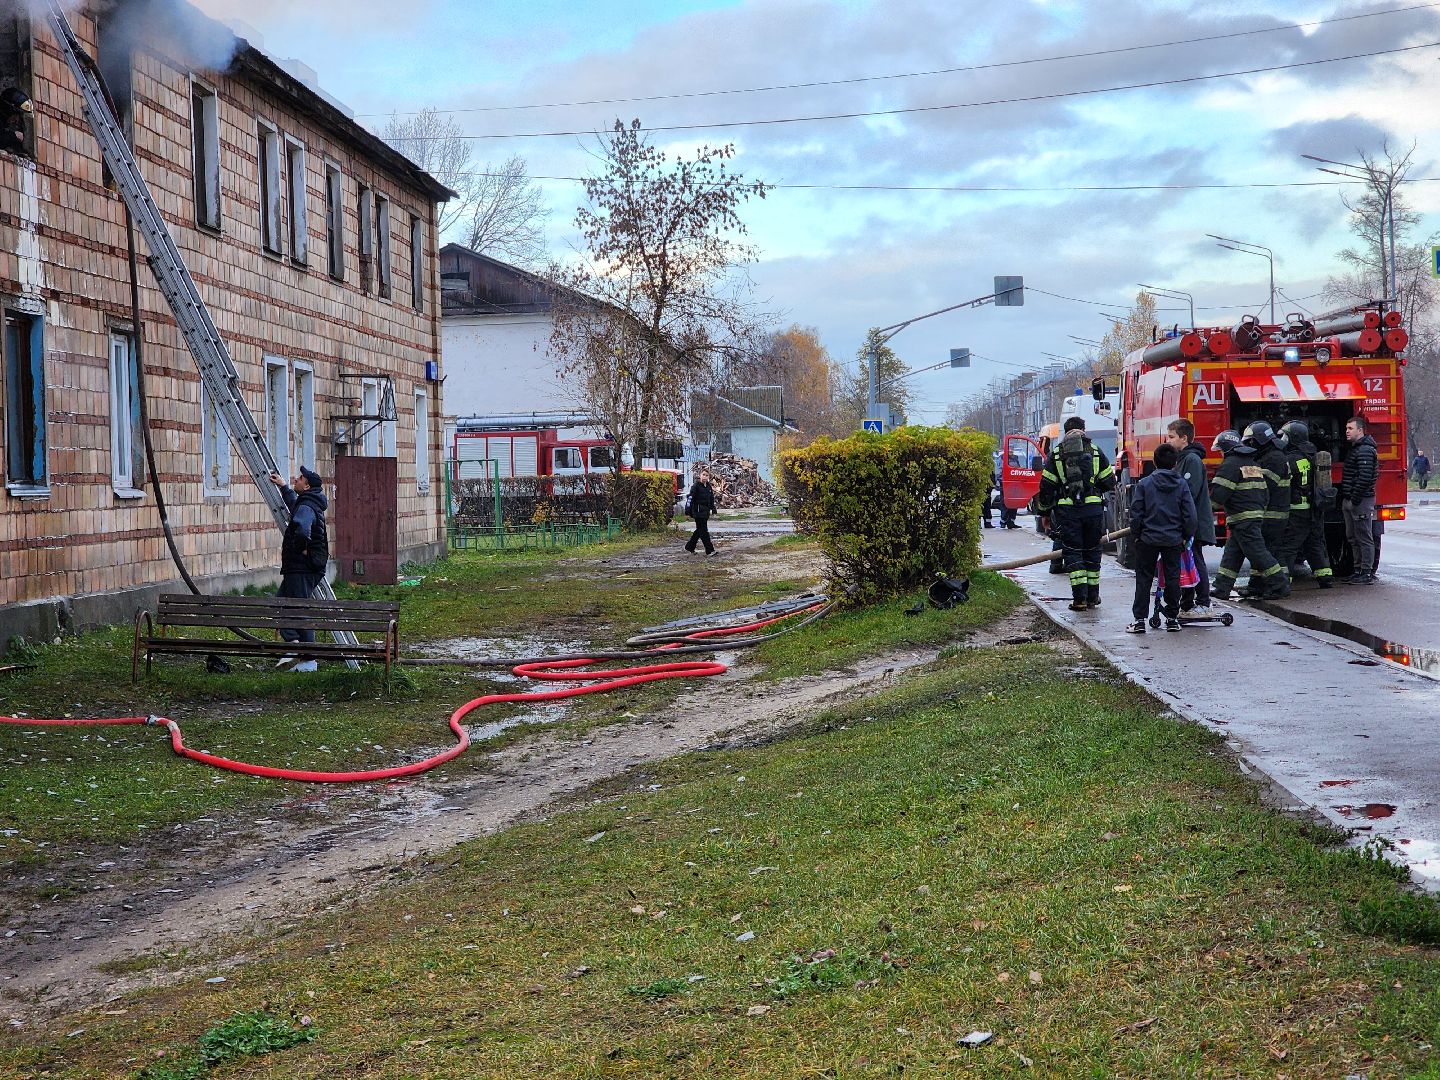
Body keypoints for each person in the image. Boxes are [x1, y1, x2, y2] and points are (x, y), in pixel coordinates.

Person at [1037, 416, 1115, 611]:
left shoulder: (1056, 454)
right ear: (1083, 430)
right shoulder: (1095, 451)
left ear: (1065, 432)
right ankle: (1093, 597)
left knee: (1073, 553)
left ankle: (1079, 600)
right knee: (1092, 551)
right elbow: (1109, 482)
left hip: (1068, 512)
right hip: (1093, 511)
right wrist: (1093, 488)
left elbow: (1046, 488)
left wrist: (1044, 514)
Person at [1126, 443, 1196, 634]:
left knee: (1144, 578)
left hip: (1148, 539)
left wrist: (1137, 536)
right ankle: (1172, 619)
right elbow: (1190, 515)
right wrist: (1185, 537)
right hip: (1173, 540)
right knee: (1173, 578)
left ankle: (1139, 621)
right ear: (1175, 463)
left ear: (1154, 462)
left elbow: (1136, 513)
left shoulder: (1144, 484)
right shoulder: (1181, 484)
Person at [1210, 430, 1287, 600]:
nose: (1220, 454)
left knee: (1258, 553)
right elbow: (1265, 492)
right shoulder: (1251, 464)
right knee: (1232, 554)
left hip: (1242, 518)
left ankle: (1280, 585)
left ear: (1227, 449)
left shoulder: (1230, 465)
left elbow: (1219, 495)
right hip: (1251, 516)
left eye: (1221, 450)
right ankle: (1222, 588)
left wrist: (1205, 511)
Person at [269, 466, 329, 672]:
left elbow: (302, 528)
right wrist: (284, 487)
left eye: (301, 478)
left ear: (307, 485)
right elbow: (295, 505)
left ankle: (306, 656)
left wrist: (301, 549)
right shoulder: (308, 502)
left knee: (299, 610)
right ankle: (296, 647)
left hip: (302, 568)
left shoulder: (306, 507)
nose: (297, 479)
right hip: (302, 567)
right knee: (281, 604)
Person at [1276, 420, 1333, 589]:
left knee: (1288, 546)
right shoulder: (1312, 455)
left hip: (1296, 510)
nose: (1283, 440)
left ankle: (1283, 580)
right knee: (1314, 544)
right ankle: (1325, 577)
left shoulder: (1289, 459)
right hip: (1314, 509)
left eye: (1285, 436)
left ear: (1293, 438)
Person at [1166, 418, 1214, 611]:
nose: (1168, 441)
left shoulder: (1192, 460)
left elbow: (1189, 494)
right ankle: (1187, 603)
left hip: (1193, 521)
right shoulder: (1183, 459)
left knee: (1195, 559)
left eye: (1171, 437)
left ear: (1184, 438)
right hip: (1186, 520)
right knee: (1187, 562)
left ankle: (1203, 602)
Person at [1242, 421, 1290, 596]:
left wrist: (1243, 472)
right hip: (1270, 512)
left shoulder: (1274, 458)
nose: (1249, 444)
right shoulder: (1269, 456)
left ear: (1260, 440)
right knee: (1264, 549)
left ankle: (1278, 586)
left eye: (1251, 441)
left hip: (1274, 514)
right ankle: (1256, 585)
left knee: (1270, 550)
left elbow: (1265, 484)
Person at [1340, 415, 1378, 585]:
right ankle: (1358, 570)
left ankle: (1366, 572)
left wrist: (1355, 499)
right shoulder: (1357, 449)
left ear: (1360, 430)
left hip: (1361, 500)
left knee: (1363, 536)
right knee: (1353, 537)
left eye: (1350, 428)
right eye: (1346, 428)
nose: (1347, 432)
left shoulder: (1365, 451)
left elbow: (1365, 477)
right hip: (1353, 499)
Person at [684, 467, 717, 556]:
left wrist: (713, 510)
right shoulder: (696, 486)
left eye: (706, 475)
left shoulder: (708, 487)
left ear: (709, 477)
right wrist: (687, 512)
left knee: (699, 531)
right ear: (700, 475)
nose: (705, 477)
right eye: (703, 475)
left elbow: (711, 499)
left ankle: (690, 547)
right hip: (697, 512)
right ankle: (710, 550)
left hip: (705, 512)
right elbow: (690, 499)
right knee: (704, 531)